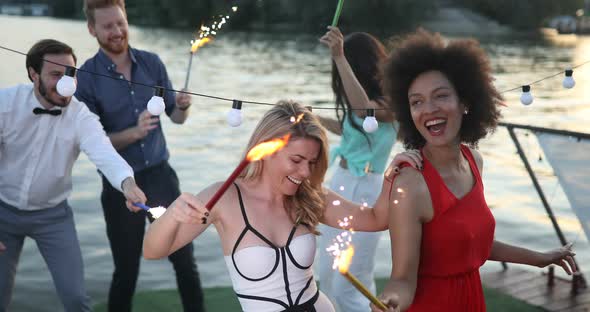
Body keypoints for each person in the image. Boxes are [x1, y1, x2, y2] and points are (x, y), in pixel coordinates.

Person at [371, 30, 577, 312]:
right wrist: (390, 301)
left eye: (440, 96)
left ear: (465, 102)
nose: (428, 109)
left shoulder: (474, 160)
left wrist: (538, 258)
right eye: (416, 102)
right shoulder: (410, 183)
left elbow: (471, 242)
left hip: (471, 299)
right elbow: (402, 279)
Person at [143, 101, 404, 312]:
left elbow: (375, 219)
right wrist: (173, 214)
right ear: (267, 149)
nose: (304, 172)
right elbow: (154, 250)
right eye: (297, 159)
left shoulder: (312, 197)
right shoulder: (225, 197)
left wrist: (393, 174)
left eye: (312, 163)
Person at [74, 1, 205, 311]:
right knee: (126, 269)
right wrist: (134, 132)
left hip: (162, 175)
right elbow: (91, 143)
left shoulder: (152, 64)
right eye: (108, 26)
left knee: (185, 261)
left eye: (121, 23)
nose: (117, 31)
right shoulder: (87, 77)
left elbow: (176, 117)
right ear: (92, 29)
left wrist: (184, 106)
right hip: (120, 185)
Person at [0, 39, 146, 312]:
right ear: (34, 74)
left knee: (76, 298)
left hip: (53, 216)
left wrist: (128, 184)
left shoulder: (81, 116)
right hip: (2, 212)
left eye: (70, 73)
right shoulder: (5, 103)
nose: (65, 82)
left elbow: (106, 154)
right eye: (56, 74)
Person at [317, 26, 397, 312]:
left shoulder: (392, 101)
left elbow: (365, 112)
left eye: (348, 65)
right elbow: (353, 127)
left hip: (368, 189)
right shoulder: (357, 99)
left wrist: (339, 57)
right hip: (340, 181)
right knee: (326, 271)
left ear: (360, 64)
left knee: (351, 277)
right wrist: (315, 119)